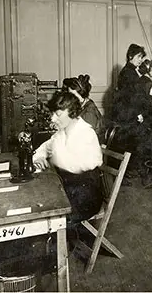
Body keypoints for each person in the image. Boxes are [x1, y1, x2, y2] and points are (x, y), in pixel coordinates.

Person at [33, 91, 103, 225]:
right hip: (66, 189)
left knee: (43, 213)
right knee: (37, 202)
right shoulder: (62, 132)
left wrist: (55, 159)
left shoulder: (86, 133)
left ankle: (57, 242)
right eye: (52, 114)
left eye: (58, 114)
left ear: (72, 113)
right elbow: (45, 147)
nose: (53, 119)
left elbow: (88, 163)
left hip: (85, 195)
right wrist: (40, 157)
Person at [62, 74, 104, 140]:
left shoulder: (90, 110)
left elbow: (86, 136)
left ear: (81, 94)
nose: (70, 98)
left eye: (73, 95)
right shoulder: (83, 104)